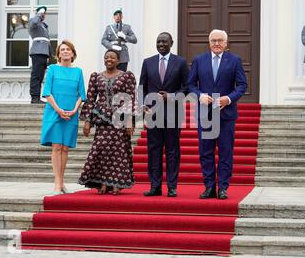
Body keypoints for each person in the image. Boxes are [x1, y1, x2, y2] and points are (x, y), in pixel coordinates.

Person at [187, 30, 248, 200]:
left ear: (226, 43)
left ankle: (222, 187)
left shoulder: (234, 61)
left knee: (225, 152)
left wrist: (228, 99)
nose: (216, 43)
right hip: (205, 114)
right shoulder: (199, 60)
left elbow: (242, 86)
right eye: (213, 40)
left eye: (220, 40)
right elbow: (190, 84)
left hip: (226, 115)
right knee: (205, 152)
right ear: (209, 42)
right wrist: (200, 95)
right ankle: (209, 187)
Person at [78, 50, 137, 196]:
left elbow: (130, 97)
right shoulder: (96, 77)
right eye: (106, 57)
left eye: (112, 57)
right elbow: (91, 99)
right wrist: (87, 122)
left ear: (118, 61)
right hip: (101, 119)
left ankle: (116, 184)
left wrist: (130, 121)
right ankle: (103, 183)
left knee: (118, 152)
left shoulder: (126, 76)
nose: (109, 59)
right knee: (101, 151)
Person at [139, 32, 190, 198]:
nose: (161, 44)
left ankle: (172, 187)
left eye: (164, 42)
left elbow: (187, 86)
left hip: (173, 112)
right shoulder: (148, 62)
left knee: (172, 151)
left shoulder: (181, 62)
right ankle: (155, 186)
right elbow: (142, 87)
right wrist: (143, 105)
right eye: (158, 41)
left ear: (171, 43)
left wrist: (172, 96)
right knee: (153, 151)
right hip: (152, 114)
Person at [40, 40, 86, 195]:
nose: (65, 51)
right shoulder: (52, 69)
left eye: (68, 49)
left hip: (71, 114)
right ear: (58, 54)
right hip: (54, 112)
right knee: (56, 147)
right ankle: (57, 183)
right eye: (62, 50)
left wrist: (74, 109)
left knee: (65, 148)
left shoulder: (78, 71)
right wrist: (59, 110)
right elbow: (47, 92)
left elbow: (81, 94)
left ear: (73, 54)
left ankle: (61, 181)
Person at [29, 6, 54, 104]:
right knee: (36, 75)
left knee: (40, 76)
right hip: (38, 52)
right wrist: (39, 13)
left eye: (44, 14)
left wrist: (50, 53)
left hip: (44, 52)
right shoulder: (33, 22)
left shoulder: (43, 26)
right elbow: (35, 22)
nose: (43, 15)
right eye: (42, 13)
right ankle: (34, 97)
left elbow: (47, 41)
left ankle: (37, 97)